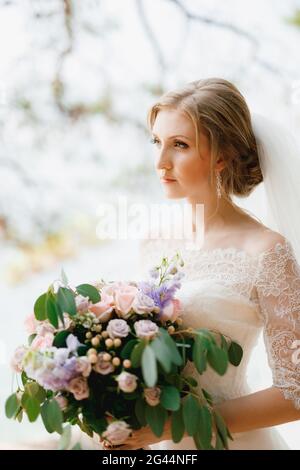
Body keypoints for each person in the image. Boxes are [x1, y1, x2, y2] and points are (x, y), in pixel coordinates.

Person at [112, 77, 300, 450]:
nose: (160, 162)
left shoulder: (266, 251)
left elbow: (294, 392)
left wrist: (174, 427)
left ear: (222, 155)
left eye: (179, 145)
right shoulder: (153, 240)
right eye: (157, 142)